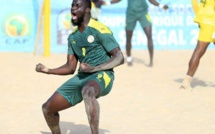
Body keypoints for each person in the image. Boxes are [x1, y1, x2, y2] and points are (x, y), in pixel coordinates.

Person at [35, 0, 124, 133]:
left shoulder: (99, 29)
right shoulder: (73, 37)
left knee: (88, 91)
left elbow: (119, 57)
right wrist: (48, 70)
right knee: (47, 108)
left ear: (87, 10)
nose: (73, 9)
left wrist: (93, 69)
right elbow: (70, 67)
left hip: (103, 75)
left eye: (77, 6)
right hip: (82, 77)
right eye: (72, 6)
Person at [112, 0, 168, 66]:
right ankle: (129, 59)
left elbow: (151, 0)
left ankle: (151, 61)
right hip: (131, 14)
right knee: (128, 37)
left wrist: (161, 6)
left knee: (149, 35)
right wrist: (107, 2)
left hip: (143, 13)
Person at [180, 0, 215, 90]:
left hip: (204, 18)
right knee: (199, 50)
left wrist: (199, 17)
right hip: (211, 20)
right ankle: (186, 81)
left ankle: (186, 81)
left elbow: (194, 1)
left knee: (199, 50)